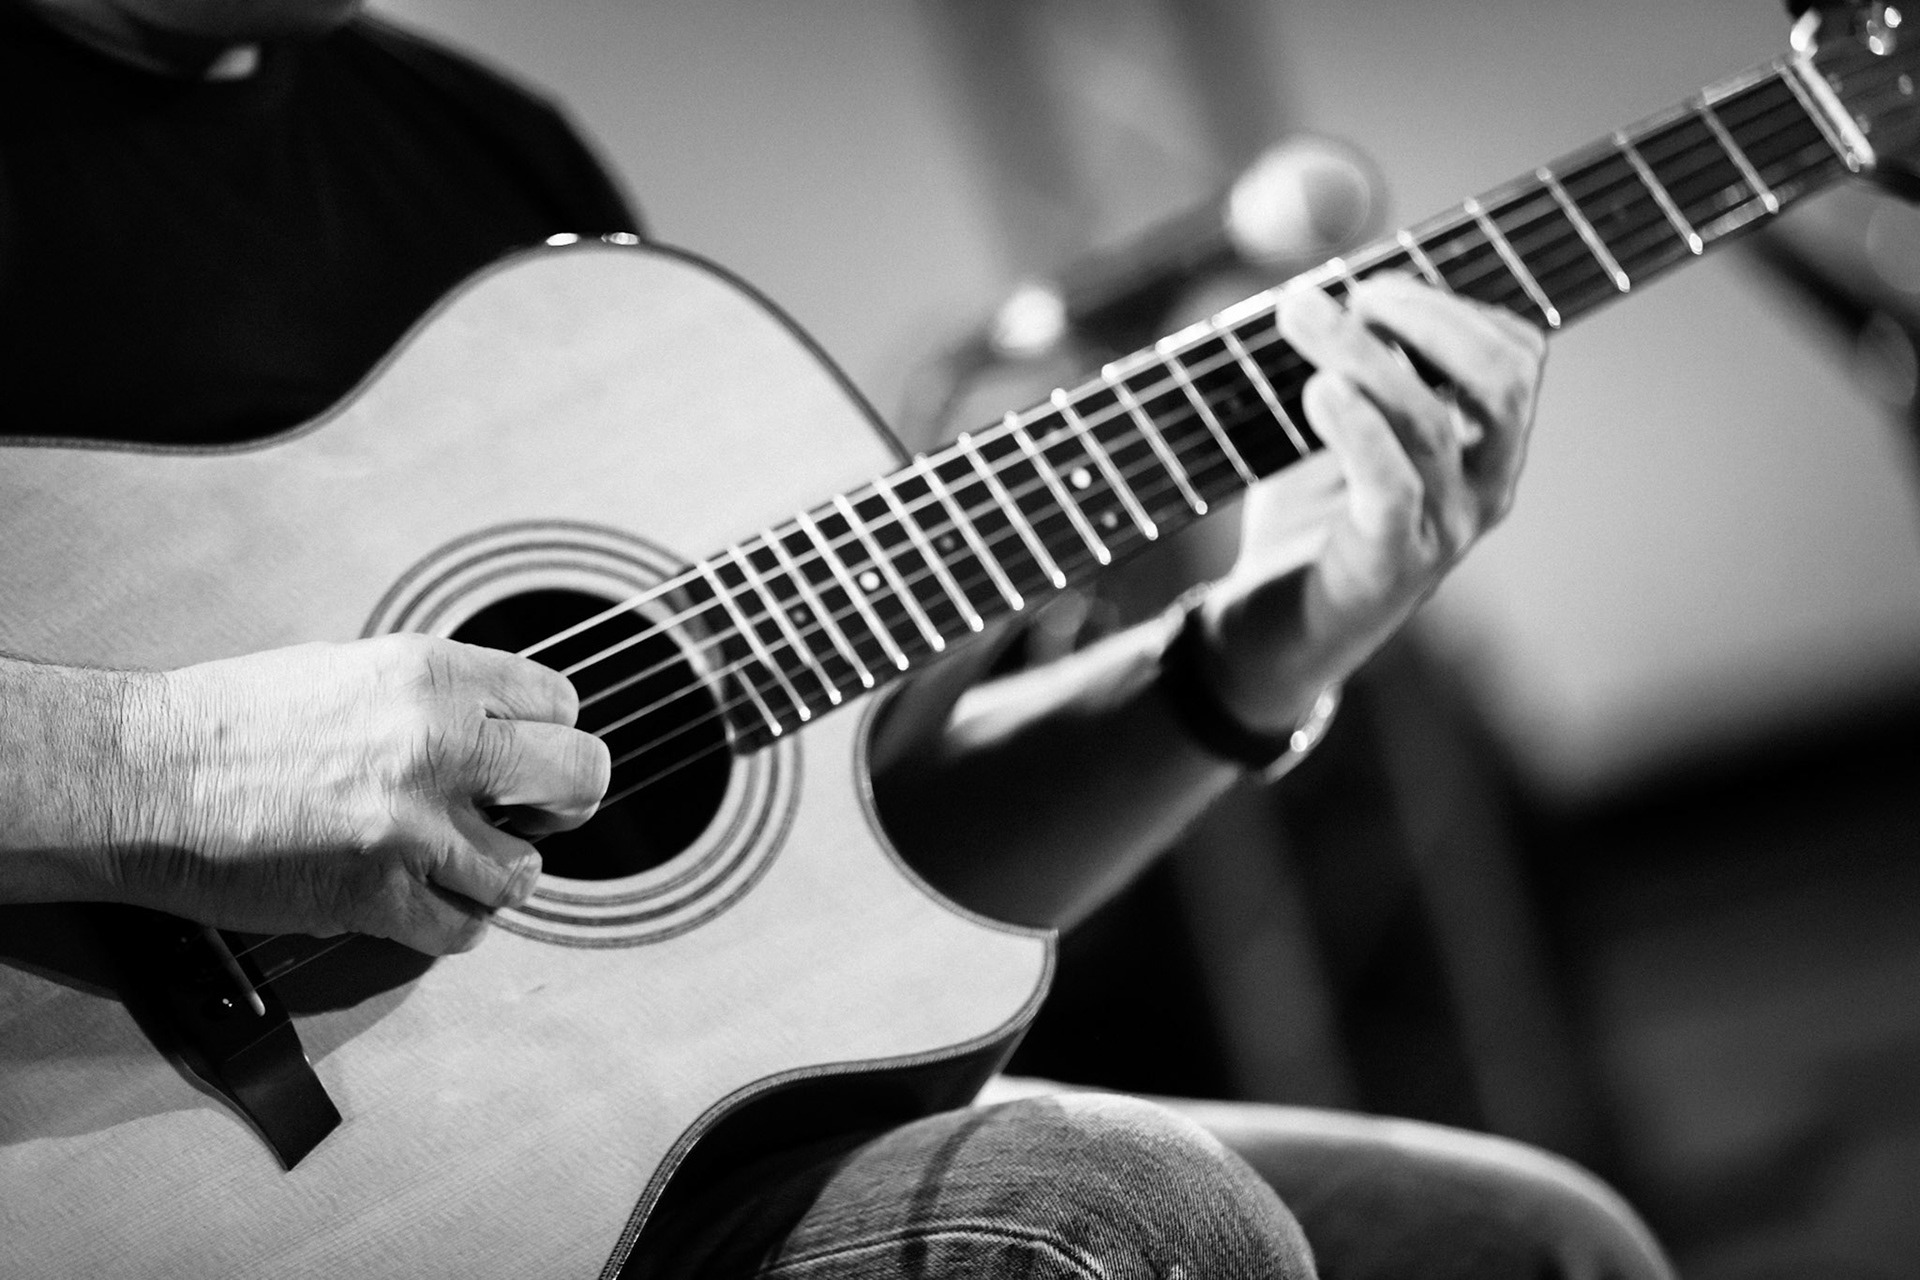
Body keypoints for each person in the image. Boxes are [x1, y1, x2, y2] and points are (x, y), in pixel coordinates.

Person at [0, 1, 1672, 1277]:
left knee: (1532, 1248)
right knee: (1125, 1226)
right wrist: (162, 762)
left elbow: (827, 923)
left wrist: (1259, 650)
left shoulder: (480, 154)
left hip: (616, 1161)